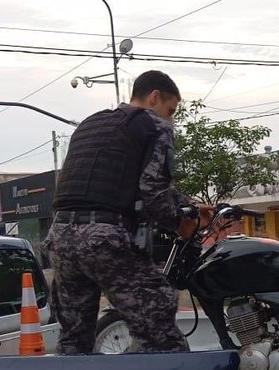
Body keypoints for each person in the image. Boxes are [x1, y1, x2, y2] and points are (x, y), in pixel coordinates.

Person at [43, 70, 209, 354]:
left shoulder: (90, 124)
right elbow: (152, 190)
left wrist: (187, 203)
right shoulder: (155, 126)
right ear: (155, 96)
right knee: (161, 334)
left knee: (74, 340)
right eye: (170, 110)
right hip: (104, 240)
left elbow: (119, 183)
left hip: (61, 238)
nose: (170, 118)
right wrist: (180, 222)